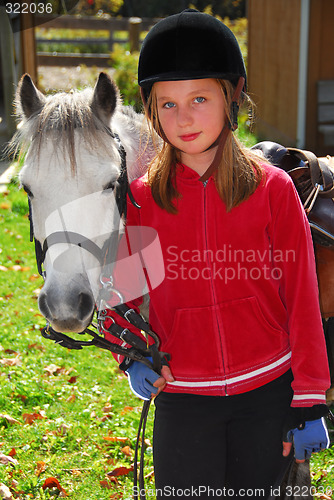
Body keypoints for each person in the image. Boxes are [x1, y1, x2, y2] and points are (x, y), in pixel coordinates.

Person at [104, 9, 331, 499]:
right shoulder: (141, 199)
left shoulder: (273, 191)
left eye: (199, 98)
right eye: (167, 104)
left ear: (231, 95)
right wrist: (131, 355)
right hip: (183, 401)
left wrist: (309, 397)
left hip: (267, 396)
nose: (183, 118)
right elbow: (119, 292)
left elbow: (303, 298)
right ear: (151, 109)